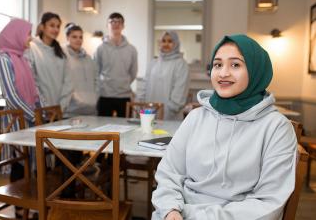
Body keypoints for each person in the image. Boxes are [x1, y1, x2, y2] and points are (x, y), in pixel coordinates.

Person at [151, 34, 297, 220]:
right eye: (218, 64)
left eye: (235, 64)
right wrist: (170, 209)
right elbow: (168, 173)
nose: (223, 73)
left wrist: (193, 216)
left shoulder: (276, 128)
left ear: (255, 71)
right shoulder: (195, 118)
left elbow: (268, 202)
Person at [0, 18, 41, 219]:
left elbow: (34, 91)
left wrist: (41, 111)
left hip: (30, 121)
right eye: (27, 33)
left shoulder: (23, 58)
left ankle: (31, 206)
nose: (30, 37)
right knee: (19, 165)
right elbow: (11, 96)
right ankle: (19, 211)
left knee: (33, 165)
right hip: (17, 123)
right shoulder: (4, 61)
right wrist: (32, 115)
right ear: (16, 35)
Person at [25, 12, 72, 114]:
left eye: (58, 26)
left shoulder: (62, 52)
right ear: (42, 27)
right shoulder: (31, 48)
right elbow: (32, 81)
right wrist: (44, 107)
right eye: (52, 25)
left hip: (59, 111)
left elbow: (68, 82)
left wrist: (60, 107)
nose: (56, 30)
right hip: (39, 111)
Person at [95, 12, 138, 117]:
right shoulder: (100, 49)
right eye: (112, 21)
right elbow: (96, 72)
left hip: (124, 96)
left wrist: (123, 83)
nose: (115, 24)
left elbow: (133, 73)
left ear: (123, 26)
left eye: (119, 21)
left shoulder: (131, 49)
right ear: (107, 25)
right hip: (105, 95)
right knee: (102, 129)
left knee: (125, 129)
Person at [140, 31, 189, 120]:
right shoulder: (153, 62)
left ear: (176, 44)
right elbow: (144, 85)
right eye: (163, 41)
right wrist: (142, 104)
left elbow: (180, 91)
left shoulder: (181, 64)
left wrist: (168, 111)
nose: (166, 44)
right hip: (149, 113)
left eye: (170, 41)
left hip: (170, 116)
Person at [64, 23, 98, 116]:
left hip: (91, 110)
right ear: (67, 38)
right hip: (70, 111)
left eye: (80, 37)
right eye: (74, 37)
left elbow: (96, 80)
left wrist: (95, 98)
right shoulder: (63, 57)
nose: (78, 40)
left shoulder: (89, 59)